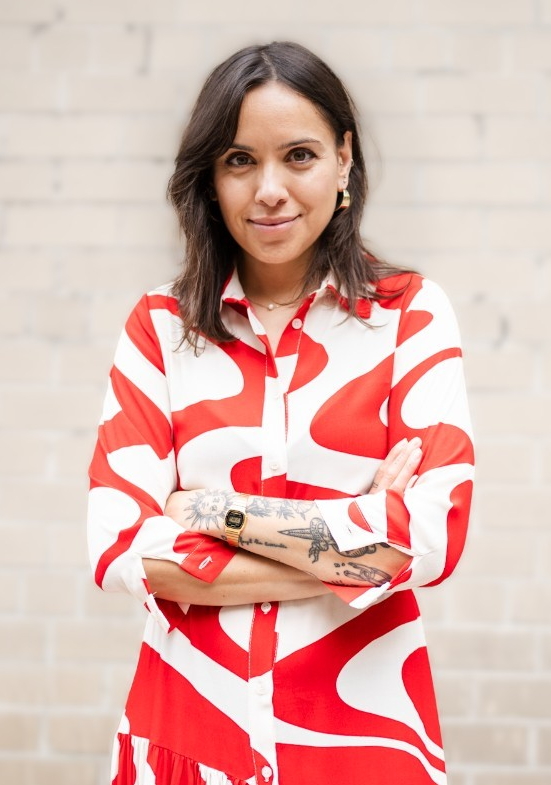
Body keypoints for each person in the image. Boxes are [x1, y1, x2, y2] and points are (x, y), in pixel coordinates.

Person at [87, 41, 474, 785]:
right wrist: (355, 546)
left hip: (364, 742)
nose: (269, 190)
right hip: (186, 738)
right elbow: (118, 548)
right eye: (239, 160)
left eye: (299, 155)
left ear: (343, 161)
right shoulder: (159, 328)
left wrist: (207, 510)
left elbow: (430, 537)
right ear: (210, 177)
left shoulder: (409, 317)